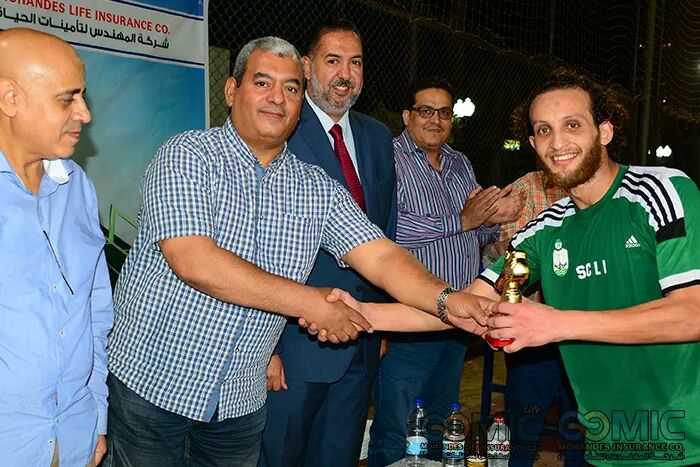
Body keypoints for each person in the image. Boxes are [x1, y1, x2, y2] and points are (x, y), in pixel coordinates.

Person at [106, 36, 495, 466]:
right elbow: (196, 262)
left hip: (238, 402)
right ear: (232, 91)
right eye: (263, 83)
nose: (278, 97)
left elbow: (381, 256)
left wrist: (447, 300)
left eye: (291, 88)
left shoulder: (315, 188)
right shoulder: (187, 155)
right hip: (152, 388)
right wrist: (311, 303)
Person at [334, 68, 700, 466]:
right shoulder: (544, 231)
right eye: (543, 130)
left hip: (682, 443)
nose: (557, 142)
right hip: (608, 445)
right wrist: (364, 314)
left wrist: (556, 323)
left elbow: (691, 314)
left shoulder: (660, 193)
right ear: (532, 143)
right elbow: (467, 304)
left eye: (572, 125)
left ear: (605, 131)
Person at [367, 76, 523, 466]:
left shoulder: (460, 162)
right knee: (398, 427)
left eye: (444, 113)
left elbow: (473, 230)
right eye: (426, 110)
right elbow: (389, 229)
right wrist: (463, 220)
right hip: (409, 319)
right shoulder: (389, 159)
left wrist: (495, 221)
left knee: (441, 423)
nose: (435, 120)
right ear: (407, 116)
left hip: (458, 317)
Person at [260, 20, 396, 467]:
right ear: (306, 66)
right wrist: (266, 348)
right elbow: (255, 241)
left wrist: (380, 322)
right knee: (280, 456)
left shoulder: (377, 137)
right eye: (333, 60)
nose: (345, 74)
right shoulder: (279, 129)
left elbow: (386, 231)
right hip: (294, 343)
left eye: (355, 63)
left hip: (360, 340)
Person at [0, 28, 113, 466]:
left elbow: (94, 312)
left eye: (82, 96)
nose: (84, 113)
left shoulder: (76, 187)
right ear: (10, 98)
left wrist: (96, 415)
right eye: (67, 99)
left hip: (73, 436)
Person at [485, 171, 583, 466]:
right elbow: (509, 259)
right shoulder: (526, 189)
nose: (558, 149)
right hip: (532, 335)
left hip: (584, 331)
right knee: (524, 429)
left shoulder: (599, 192)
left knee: (581, 428)